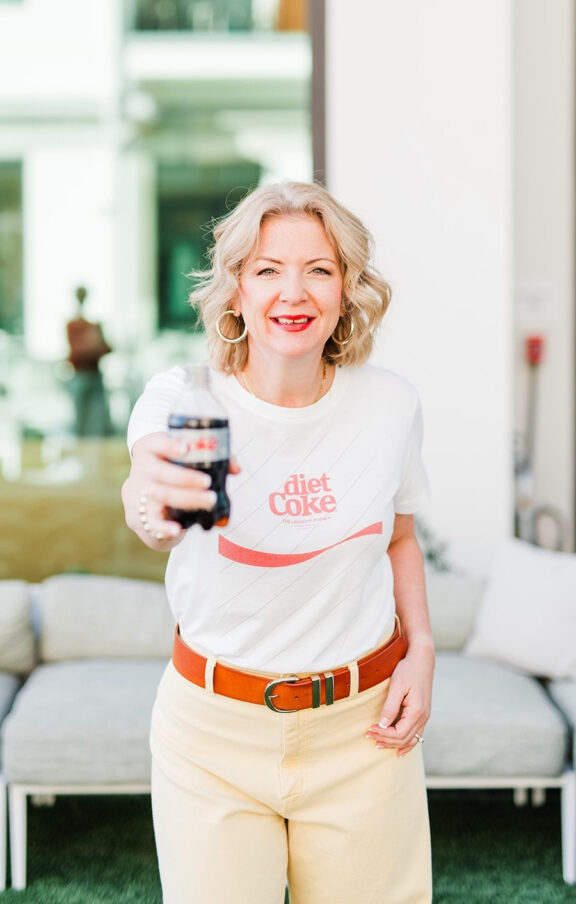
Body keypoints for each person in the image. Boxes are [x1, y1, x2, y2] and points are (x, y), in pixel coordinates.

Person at [122, 181, 435, 904]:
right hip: (211, 737)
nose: (293, 291)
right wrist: (154, 508)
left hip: (365, 734)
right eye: (267, 269)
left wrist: (421, 650)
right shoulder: (185, 397)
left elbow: (402, 537)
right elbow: (146, 478)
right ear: (235, 290)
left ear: (348, 288)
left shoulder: (390, 404)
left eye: (318, 269)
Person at [65, 286, 112, 437]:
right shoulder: (74, 325)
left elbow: (107, 348)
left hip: (94, 376)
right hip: (80, 375)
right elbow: (76, 353)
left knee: (98, 422)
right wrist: (93, 343)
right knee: (79, 422)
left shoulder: (93, 325)